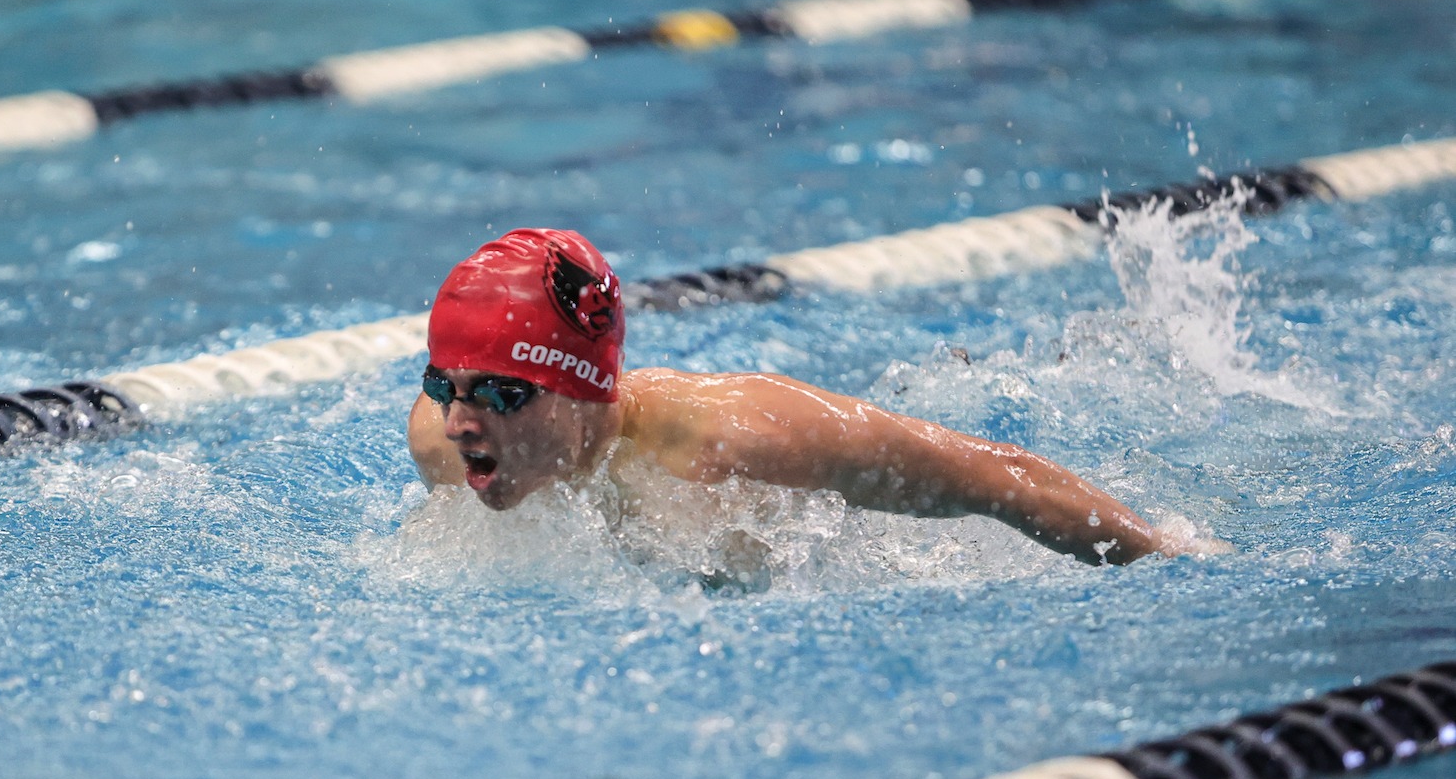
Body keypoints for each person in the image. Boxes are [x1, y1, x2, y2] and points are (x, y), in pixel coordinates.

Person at [408, 228, 1201, 566]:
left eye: (504, 394)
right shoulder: (444, 446)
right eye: (445, 385)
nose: (460, 421)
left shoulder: (734, 441)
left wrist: (1169, 557)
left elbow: (993, 477)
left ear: (583, 388)